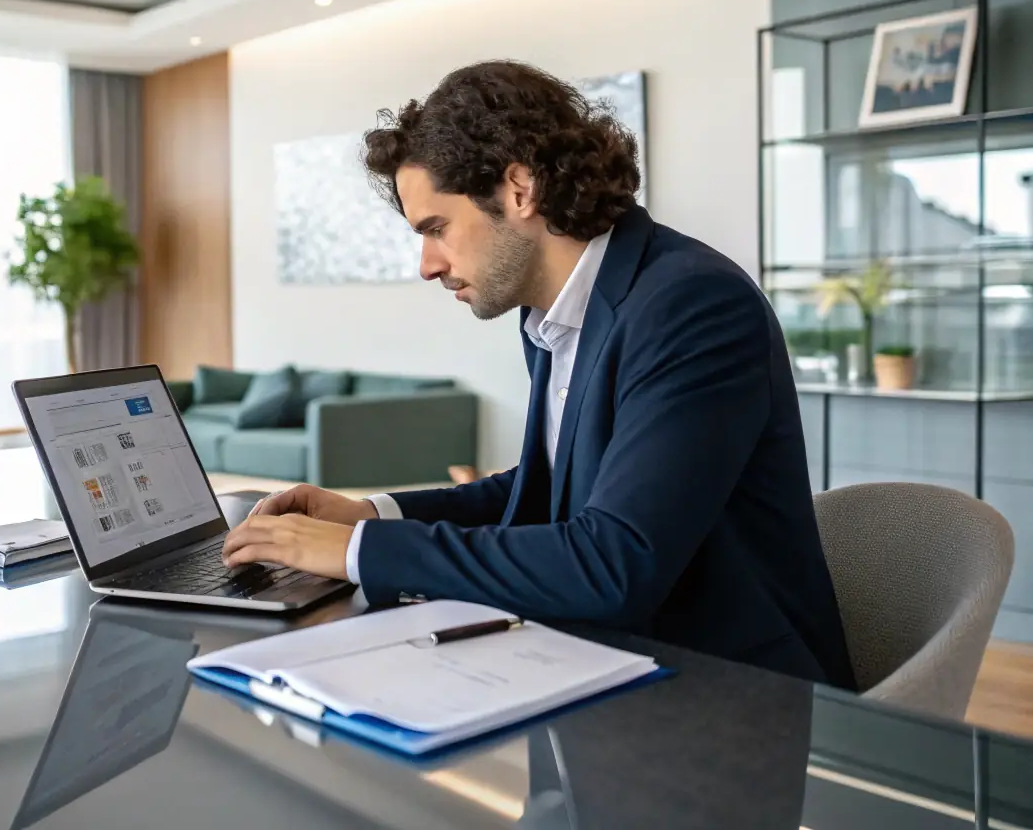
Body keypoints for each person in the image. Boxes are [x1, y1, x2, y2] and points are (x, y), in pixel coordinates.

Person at [223, 60, 855, 687]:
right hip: (602, 665)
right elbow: (544, 491)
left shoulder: (690, 305)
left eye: (436, 229)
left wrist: (357, 553)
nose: (427, 265)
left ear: (519, 189)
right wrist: (369, 515)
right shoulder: (556, 316)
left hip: (734, 699)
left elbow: (614, 563)